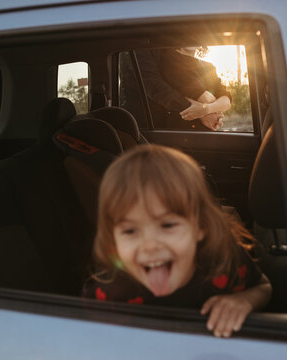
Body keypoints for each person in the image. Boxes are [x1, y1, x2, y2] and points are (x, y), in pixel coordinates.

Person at [83, 145, 272, 337]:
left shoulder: (222, 260)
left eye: (167, 226)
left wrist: (245, 300)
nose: (149, 246)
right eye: (130, 230)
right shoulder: (110, 291)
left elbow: (263, 286)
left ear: (201, 226)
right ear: (113, 239)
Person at [137, 47, 232, 131]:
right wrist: (213, 107)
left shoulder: (209, 67)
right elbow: (206, 98)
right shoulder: (169, 61)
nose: (191, 37)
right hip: (179, 131)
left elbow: (226, 100)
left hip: (206, 133)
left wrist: (207, 109)